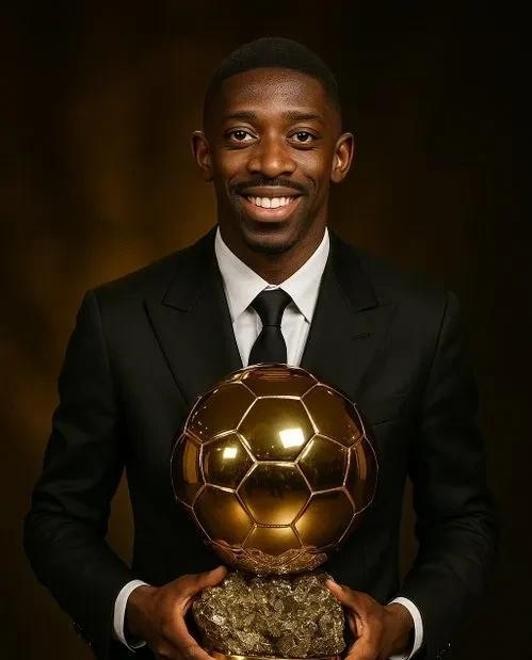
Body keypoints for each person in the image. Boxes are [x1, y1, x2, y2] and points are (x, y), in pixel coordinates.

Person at [24, 37, 497, 660]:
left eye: (302, 137)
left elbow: (464, 521)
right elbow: (57, 519)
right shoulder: (119, 321)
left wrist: (401, 627)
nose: (271, 162)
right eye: (241, 135)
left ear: (340, 156)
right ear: (204, 154)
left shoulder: (421, 321)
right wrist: (138, 611)